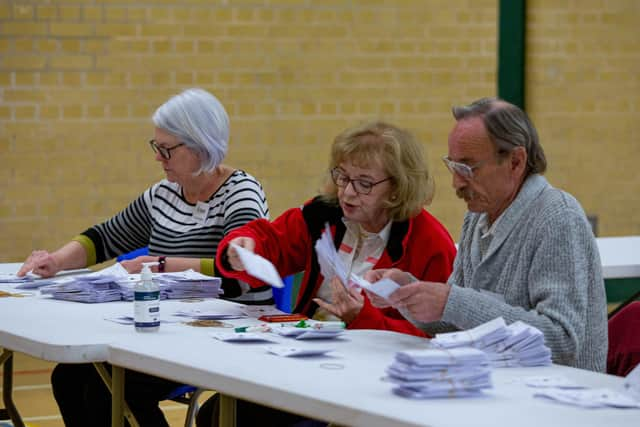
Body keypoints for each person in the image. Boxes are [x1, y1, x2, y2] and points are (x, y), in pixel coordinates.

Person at [18, 88, 270, 427]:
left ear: (200, 146)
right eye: (157, 147)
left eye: (166, 149)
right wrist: (57, 260)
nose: (158, 158)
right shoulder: (164, 193)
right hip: (168, 331)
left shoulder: (241, 192)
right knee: (68, 379)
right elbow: (105, 237)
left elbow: (239, 274)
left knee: (105, 390)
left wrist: (163, 264)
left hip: (222, 333)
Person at [197, 120, 456, 426]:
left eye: (364, 183)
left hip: (375, 379)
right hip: (308, 360)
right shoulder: (323, 215)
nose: (347, 192)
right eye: (342, 177)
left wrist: (361, 318)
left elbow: (435, 339)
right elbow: (272, 241)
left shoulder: (430, 243)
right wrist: (241, 248)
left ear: (398, 189)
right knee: (219, 412)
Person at [367, 97, 608, 372]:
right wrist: (409, 294)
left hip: (557, 401)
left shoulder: (557, 218)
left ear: (516, 162)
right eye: (453, 166)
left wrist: (453, 301)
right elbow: (453, 322)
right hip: (493, 387)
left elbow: (561, 341)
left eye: (468, 168)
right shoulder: (479, 214)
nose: (456, 183)